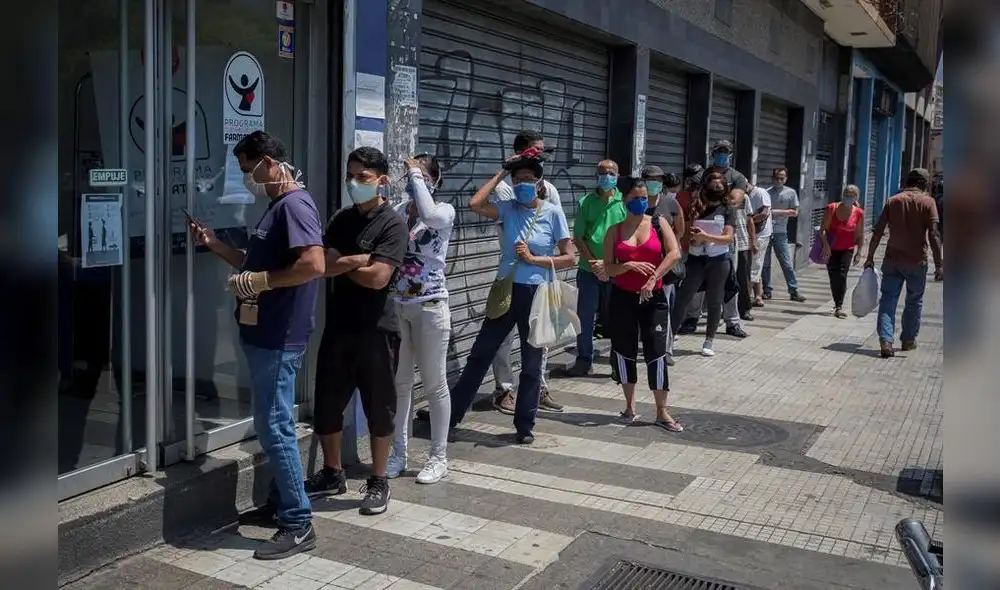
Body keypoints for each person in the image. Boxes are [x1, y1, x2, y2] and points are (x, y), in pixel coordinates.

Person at [191, 131, 325, 560]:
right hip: (264, 334)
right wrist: (214, 244)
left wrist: (262, 281)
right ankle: (281, 502)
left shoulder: (295, 205)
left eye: (249, 170)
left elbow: (313, 264)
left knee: (274, 426)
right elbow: (253, 262)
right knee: (274, 423)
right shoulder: (276, 206)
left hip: (279, 336)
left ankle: (298, 523)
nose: (248, 179)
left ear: (268, 162)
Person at [305, 147, 408, 516]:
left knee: (379, 407)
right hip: (339, 325)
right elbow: (319, 264)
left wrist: (341, 263)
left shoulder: (392, 224)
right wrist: (356, 260)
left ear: (381, 181)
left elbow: (378, 278)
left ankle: (378, 479)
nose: (354, 183)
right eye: (351, 176)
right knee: (327, 403)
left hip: (377, 330)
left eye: (362, 177)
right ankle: (332, 472)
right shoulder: (342, 219)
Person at [450, 156, 574, 445]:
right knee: (480, 354)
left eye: (528, 179)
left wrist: (534, 259)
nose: (522, 185)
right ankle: (451, 415)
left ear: (539, 182)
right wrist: (502, 172)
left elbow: (569, 258)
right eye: (517, 180)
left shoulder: (553, 212)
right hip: (505, 291)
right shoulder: (507, 208)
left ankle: (524, 424)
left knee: (532, 362)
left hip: (537, 293)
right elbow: (474, 203)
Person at [388, 154, 453, 485]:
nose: (413, 180)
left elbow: (428, 214)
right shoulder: (400, 210)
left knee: (434, 384)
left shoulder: (444, 211)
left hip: (431, 307)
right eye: (411, 176)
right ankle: (398, 453)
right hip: (400, 306)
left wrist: (415, 173)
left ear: (434, 180)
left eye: (422, 175)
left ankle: (439, 457)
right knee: (400, 384)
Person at [489, 130, 565, 414]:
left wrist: (546, 261)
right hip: (511, 273)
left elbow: (556, 228)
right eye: (534, 151)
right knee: (504, 336)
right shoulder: (506, 187)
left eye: (542, 152)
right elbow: (505, 213)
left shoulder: (550, 189)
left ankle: (538, 388)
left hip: (540, 273)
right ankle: (504, 389)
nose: (540, 156)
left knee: (540, 335)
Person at [602, 177, 683, 430]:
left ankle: (662, 411)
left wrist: (653, 278)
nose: (640, 202)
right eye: (635, 198)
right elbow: (608, 268)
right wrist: (627, 265)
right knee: (624, 350)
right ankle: (629, 407)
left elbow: (674, 253)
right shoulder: (614, 231)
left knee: (656, 352)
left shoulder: (658, 223)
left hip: (653, 298)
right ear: (624, 199)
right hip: (623, 298)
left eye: (643, 198)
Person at [864, 168, 943, 358]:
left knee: (888, 299)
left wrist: (870, 257)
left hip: (893, 259)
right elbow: (933, 234)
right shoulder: (928, 202)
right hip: (917, 261)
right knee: (914, 301)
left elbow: (878, 231)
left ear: (908, 182)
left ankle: (886, 340)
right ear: (924, 184)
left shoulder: (893, 201)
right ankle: (908, 340)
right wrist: (939, 263)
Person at [565, 159, 627, 377]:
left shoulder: (624, 201)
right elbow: (579, 237)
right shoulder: (586, 202)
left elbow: (628, 236)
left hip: (616, 271)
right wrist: (594, 263)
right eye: (602, 173)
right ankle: (584, 360)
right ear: (596, 176)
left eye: (611, 173)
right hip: (588, 271)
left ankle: (617, 363)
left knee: (618, 318)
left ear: (617, 176)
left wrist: (610, 265)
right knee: (585, 318)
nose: (607, 177)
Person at [672, 171, 735, 357]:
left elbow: (728, 237)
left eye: (719, 185)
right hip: (696, 257)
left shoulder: (727, 209)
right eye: (713, 185)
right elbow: (684, 233)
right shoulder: (696, 206)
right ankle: (670, 337)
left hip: (718, 259)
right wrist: (692, 238)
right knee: (683, 297)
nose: (716, 188)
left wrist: (706, 237)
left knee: (715, 300)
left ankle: (709, 340)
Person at [641, 166, 685, 365]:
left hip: (663, 265)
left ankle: (666, 350)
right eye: (651, 179)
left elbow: (680, 229)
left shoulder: (670, 202)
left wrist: (670, 247)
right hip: (640, 263)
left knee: (663, 306)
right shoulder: (635, 201)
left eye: (659, 180)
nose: (655, 183)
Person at [761, 167, 806, 302]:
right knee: (765, 263)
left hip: (781, 232)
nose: (779, 181)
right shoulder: (766, 193)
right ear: (772, 178)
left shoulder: (790, 193)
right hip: (766, 231)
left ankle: (793, 290)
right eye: (776, 178)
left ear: (786, 179)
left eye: (782, 178)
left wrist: (774, 212)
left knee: (786, 262)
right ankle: (767, 290)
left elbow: (794, 212)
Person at [820, 185, 865, 318]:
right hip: (831, 248)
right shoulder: (832, 208)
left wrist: (859, 252)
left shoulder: (859, 213)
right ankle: (836, 302)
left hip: (847, 249)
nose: (848, 197)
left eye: (851, 195)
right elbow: (823, 229)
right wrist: (825, 245)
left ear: (856, 197)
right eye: (846, 194)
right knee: (833, 276)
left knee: (842, 275)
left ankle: (839, 306)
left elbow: (860, 234)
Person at [747, 183, 773, 307]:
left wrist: (748, 222)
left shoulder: (760, 193)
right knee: (757, 264)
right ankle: (757, 296)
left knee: (755, 265)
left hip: (761, 235)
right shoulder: (747, 196)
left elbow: (764, 213)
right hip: (753, 234)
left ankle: (745, 299)